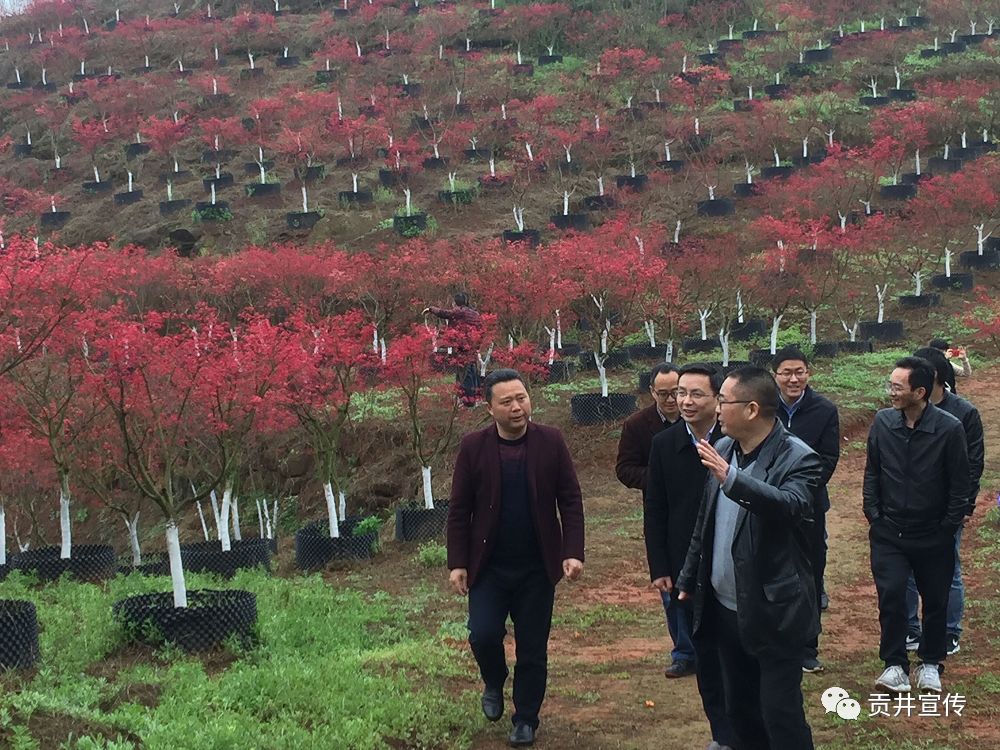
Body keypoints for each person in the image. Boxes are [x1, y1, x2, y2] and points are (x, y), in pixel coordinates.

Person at [677, 366, 821, 750]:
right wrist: (690, 577)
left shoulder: (799, 458)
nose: (717, 409)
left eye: (724, 401)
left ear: (753, 409)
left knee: (780, 715)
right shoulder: (723, 449)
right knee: (739, 711)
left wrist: (733, 480)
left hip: (774, 611)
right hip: (725, 609)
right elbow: (704, 523)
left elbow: (791, 506)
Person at [447, 369, 585, 748]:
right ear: (490, 408)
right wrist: (457, 561)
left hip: (536, 567)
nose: (517, 407)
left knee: (532, 647)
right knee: (484, 633)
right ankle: (493, 679)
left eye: (521, 397)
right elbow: (459, 509)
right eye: (506, 401)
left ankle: (526, 718)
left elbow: (570, 500)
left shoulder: (550, 442)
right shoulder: (473, 446)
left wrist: (572, 551)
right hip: (489, 566)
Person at [863, 356, 970, 694]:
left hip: (933, 532)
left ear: (919, 391)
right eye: (890, 385)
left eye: (897, 387)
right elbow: (873, 472)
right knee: (891, 595)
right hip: (889, 531)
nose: (891, 392)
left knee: (935, 599)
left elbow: (959, 484)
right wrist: (874, 514)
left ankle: (930, 663)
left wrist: (947, 527)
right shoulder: (883, 423)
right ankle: (894, 664)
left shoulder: (949, 428)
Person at [645, 363, 736, 750]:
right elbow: (656, 508)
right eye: (680, 393)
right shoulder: (664, 445)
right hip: (685, 567)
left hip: (732, 564)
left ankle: (747, 730)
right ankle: (721, 734)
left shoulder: (736, 441)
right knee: (706, 658)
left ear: (718, 400)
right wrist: (660, 566)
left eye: (696, 394)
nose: (684, 401)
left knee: (737, 656)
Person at [904, 348, 984, 657]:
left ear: (932, 378)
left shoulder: (964, 414)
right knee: (908, 569)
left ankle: (949, 631)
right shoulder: (904, 411)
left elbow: (973, 464)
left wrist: (964, 506)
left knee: (947, 568)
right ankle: (911, 628)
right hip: (909, 508)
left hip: (947, 508)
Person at [771, 347, 840, 674]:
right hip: (766, 503)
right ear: (775, 375)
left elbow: (827, 459)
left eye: (799, 371)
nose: (793, 378)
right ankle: (775, 642)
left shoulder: (824, 410)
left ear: (808, 373)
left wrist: (797, 492)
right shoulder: (763, 408)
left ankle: (807, 648)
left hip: (809, 506)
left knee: (809, 575)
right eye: (786, 372)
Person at [615, 363, 681, 500]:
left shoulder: (695, 418)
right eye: (663, 394)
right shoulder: (636, 424)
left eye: (676, 392)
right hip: (658, 504)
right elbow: (625, 470)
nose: (670, 399)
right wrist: (661, 476)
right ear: (652, 391)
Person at [424, 293, 483, 404]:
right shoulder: (475, 314)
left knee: (465, 372)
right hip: (472, 345)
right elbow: (481, 330)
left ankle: (468, 399)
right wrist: (478, 345)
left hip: (463, 345)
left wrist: (431, 309)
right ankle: (475, 396)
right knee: (472, 370)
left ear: (456, 302)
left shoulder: (460, 311)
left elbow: (444, 313)